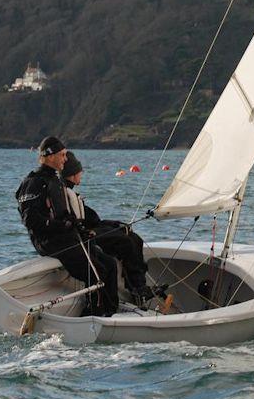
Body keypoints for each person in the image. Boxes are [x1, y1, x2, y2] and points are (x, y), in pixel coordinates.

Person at [15, 136, 118, 317]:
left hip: (67, 238)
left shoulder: (56, 181)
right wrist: (63, 225)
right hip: (49, 242)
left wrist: (78, 227)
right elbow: (31, 221)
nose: (65, 159)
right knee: (97, 272)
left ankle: (111, 311)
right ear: (50, 156)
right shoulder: (33, 183)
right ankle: (93, 315)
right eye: (62, 155)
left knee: (109, 263)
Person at [60, 151, 154, 306]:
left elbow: (92, 219)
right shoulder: (63, 193)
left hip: (89, 228)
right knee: (125, 241)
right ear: (72, 174)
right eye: (79, 171)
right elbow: (79, 222)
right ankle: (137, 289)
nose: (81, 174)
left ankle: (140, 286)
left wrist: (115, 224)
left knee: (134, 238)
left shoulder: (71, 192)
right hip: (82, 236)